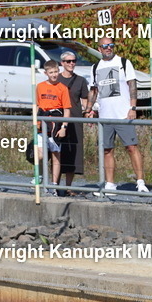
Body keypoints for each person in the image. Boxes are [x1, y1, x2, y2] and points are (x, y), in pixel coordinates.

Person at [87, 37, 149, 195]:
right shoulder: (95, 67)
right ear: (99, 49)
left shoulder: (123, 63)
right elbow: (93, 90)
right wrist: (89, 109)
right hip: (105, 116)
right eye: (105, 46)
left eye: (111, 45)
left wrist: (133, 107)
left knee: (131, 147)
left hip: (123, 114)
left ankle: (140, 182)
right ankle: (110, 184)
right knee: (107, 150)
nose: (108, 48)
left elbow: (132, 85)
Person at [34, 60, 71, 197]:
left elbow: (67, 109)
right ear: (46, 73)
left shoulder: (63, 88)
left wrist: (64, 127)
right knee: (40, 154)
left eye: (56, 72)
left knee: (56, 155)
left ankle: (54, 185)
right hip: (42, 122)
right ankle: (40, 176)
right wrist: (35, 122)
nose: (54, 75)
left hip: (56, 124)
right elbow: (37, 105)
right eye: (51, 73)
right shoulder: (40, 86)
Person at [57, 50, 90, 196]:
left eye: (73, 61)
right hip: (58, 119)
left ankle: (68, 187)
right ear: (62, 63)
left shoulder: (81, 80)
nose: (71, 64)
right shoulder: (55, 79)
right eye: (68, 61)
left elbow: (84, 99)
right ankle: (55, 185)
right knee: (57, 152)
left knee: (73, 154)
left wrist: (88, 112)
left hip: (75, 119)